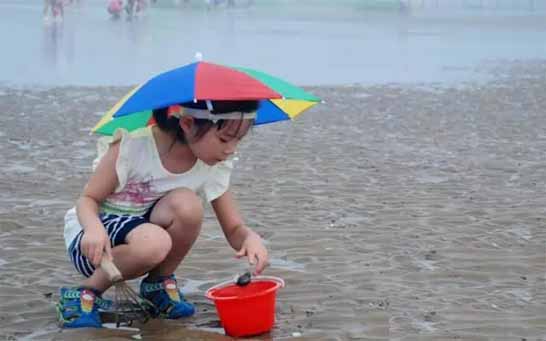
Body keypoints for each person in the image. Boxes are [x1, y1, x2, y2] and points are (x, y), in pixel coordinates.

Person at [57, 100, 269, 328]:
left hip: (146, 233)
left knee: (188, 205)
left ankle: (157, 285)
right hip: (95, 241)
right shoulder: (134, 146)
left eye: (239, 140)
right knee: (154, 242)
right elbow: (88, 199)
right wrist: (93, 229)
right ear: (188, 123)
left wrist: (250, 238)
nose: (231, 149)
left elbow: (234, 228)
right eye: (224, 139)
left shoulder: (214, 164)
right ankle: (85, 293)